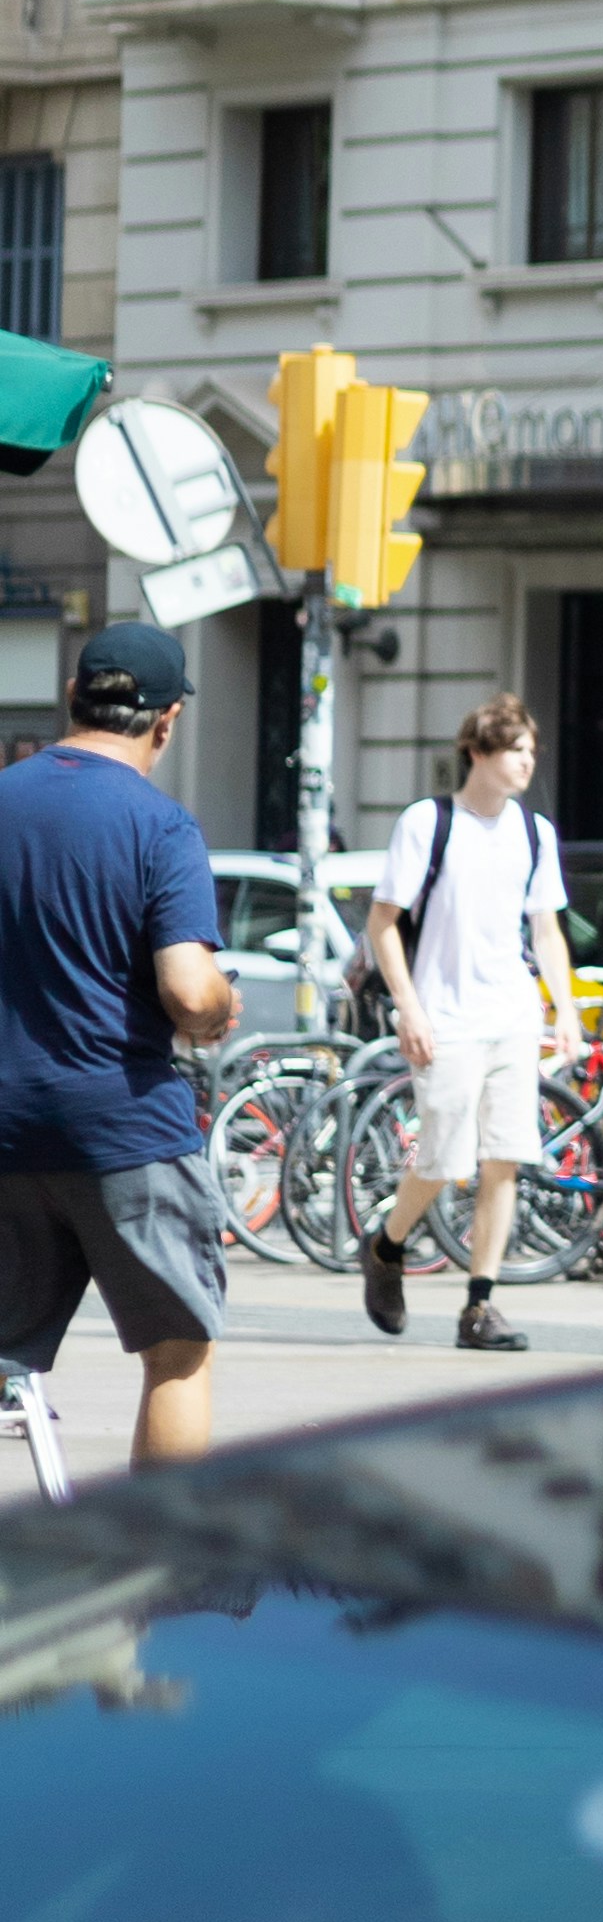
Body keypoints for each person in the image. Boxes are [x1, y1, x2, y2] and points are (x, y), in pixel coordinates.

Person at [0, 619, 239, 1467]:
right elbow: (185, 987)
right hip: (123, 1127)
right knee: (177, 1349)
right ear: (166, 721)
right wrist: (218, 1004)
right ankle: (166, 1583)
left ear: (73, 696)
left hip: (4, 1130)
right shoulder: (160, 825)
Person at [363, 693, 582, 1358]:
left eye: (531, 751)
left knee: (504, 1160)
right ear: (478, 752)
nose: (526, 762)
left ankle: (479, 1305)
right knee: (442, 1159)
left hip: (513, 1014)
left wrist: (565, 1009)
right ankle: (386, 1244)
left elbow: (546, 929)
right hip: (446, 1017)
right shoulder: (429, 824)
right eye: (516, 749)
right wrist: (409, 1006)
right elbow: (382, 924)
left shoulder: (534, 832)